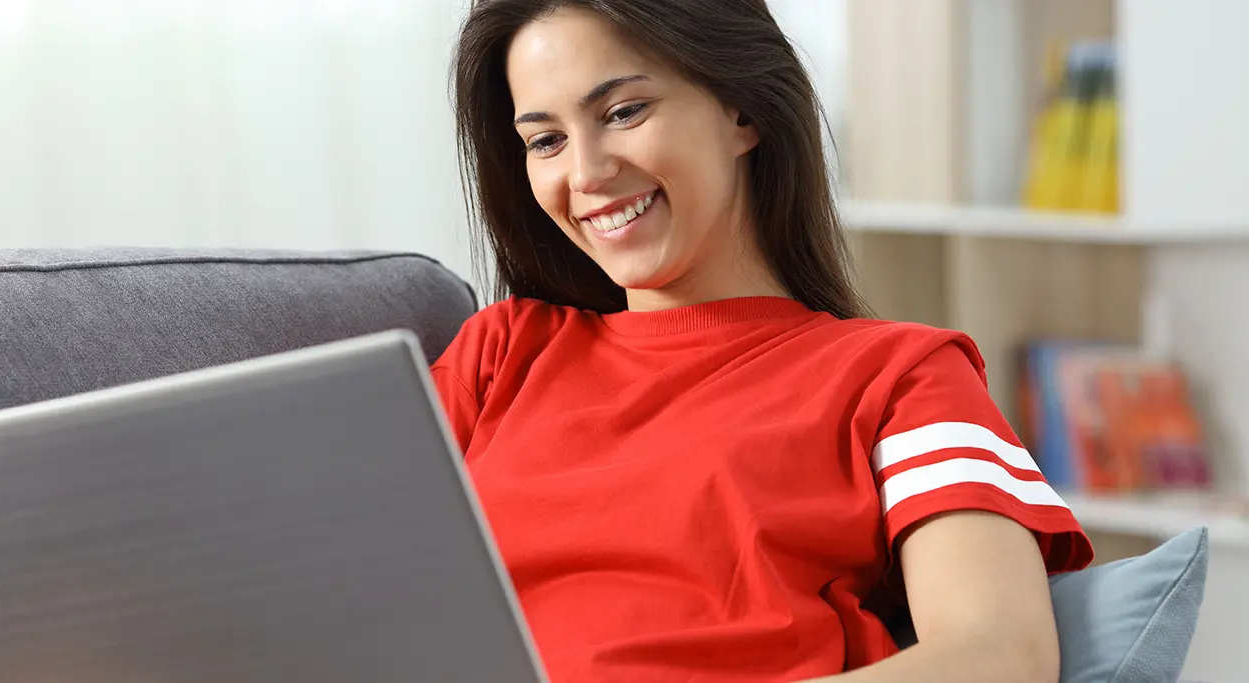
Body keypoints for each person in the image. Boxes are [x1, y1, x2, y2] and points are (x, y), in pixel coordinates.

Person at [434, 1, 1093, 681]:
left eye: (624, 112)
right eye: (546, 141)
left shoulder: (901, 376)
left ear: (741, 111)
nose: (587, 173)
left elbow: (998, 654)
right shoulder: (499, 354)